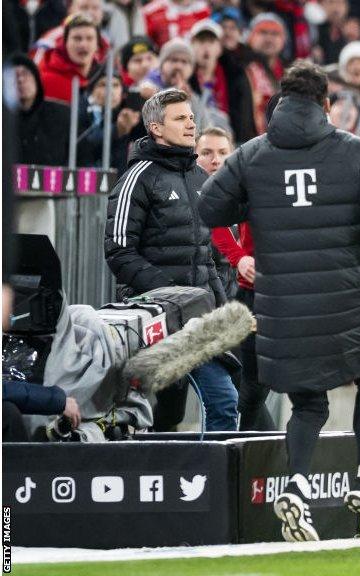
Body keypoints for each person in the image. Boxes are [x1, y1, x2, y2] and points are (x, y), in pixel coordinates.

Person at [198, 61, 360, 542]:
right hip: (345, 299)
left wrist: (257, 202)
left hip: (282, 306)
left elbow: (209, 207)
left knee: (307, 404)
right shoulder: (352, 150)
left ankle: (297, 486)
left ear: (280, 103)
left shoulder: (253, 155)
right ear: (326, 104)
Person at [103, 88, 238, 432]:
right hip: (149, 316)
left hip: (197, 316)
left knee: (223, 400)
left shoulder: (201, 179)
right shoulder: (137, 177)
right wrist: (169, 293)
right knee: (159, 413)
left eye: (191, 116)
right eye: (180, 118)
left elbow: (208, 256)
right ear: (156, 129)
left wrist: (218, 306)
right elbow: (118, 251)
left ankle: (216, 483)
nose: (191, 123)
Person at [199, 127, 274, 432]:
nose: (215, 160)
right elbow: (214, 224)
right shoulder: (199, 189)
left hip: (255, 298)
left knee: (254, 386)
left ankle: (261, 460)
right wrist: (238, 256)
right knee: (245, 387)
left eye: (222, 153)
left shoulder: (250, 182)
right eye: (207, 153)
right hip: (216, 302)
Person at [11, 53, 71, 167]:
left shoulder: (62, 114)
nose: (20, 80)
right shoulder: (4, 118)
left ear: (36, 79)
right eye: (14, 76)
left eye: (25, 74)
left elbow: (81, 156)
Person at [37, 12, 101, 105]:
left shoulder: (104, 79)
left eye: (89, 38)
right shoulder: (45, 81)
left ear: (97, 46)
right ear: (65, 44)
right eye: (77, 38)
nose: (83, 45)